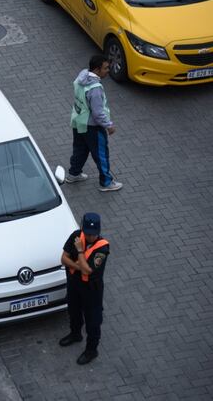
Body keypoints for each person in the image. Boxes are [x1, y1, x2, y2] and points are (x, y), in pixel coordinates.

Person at [58, 212, 110, 365]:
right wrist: (78, 266)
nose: (90, 237)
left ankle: (91, 350)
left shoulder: (102, 249)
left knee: (93, 321)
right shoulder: (76, 236)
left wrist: (80, 251)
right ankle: (75, 334)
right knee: (73, 311)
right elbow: (63, 259)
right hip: (75, 285)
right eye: (87, 233)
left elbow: (88, 270)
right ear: (82, 229)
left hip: (91, 291)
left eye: (93, 234)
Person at [67, 55, 123, 192]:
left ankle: (74, 174)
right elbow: (98, 113)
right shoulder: (95, 88)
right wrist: (108, 125)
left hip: (79, 121)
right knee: (101, 154)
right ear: (97, 70)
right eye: (105, 68)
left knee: (80, 149)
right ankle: (106, 182)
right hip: (93, 126)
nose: (108, 70)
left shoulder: (82, 78)